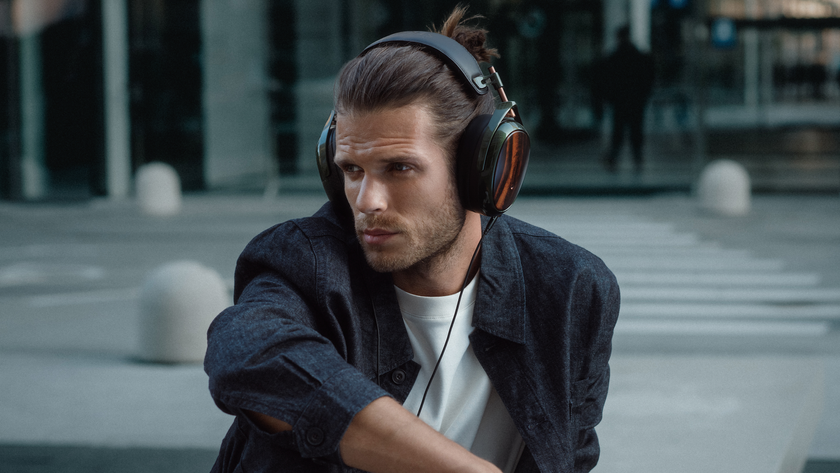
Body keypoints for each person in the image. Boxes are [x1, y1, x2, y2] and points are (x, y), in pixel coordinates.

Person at [204, 7, 619, 473]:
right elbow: (248, 354)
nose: (367, 201)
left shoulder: (570, 289)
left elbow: (574, 454)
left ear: (480, 168)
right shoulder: (301, 262)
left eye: (399, 168)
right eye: (352, 170)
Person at [598, 25, 654, 174]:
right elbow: (647, 79)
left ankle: (615, 158)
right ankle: (637, 158)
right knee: (635, 130)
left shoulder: (614, 58)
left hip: (620, 101)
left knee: (619, 131)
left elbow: (605, 81)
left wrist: (609, 98)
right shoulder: (639, 57)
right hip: (635, 101)